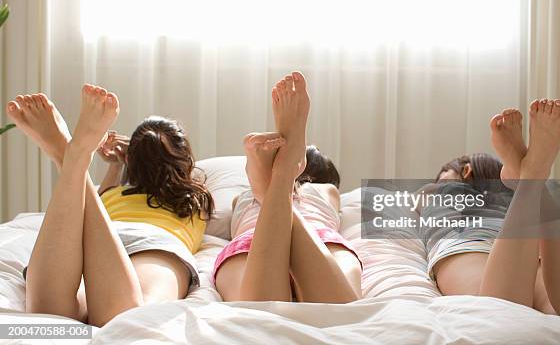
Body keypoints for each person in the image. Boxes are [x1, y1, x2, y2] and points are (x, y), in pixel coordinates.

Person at [6, 85, 213, 326]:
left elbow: (91, 204)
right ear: (184, 161)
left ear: (130, 162)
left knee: (51, 308)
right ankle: (71, 156)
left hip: (103, 235)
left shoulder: (116, 193)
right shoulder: (194, 199)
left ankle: (68, 156)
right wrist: (119, 164)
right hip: (155, 244)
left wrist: (115, 165)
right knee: (123, 316)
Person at [423, 101, 560, 316]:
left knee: (498, 310)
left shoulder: (442, 191)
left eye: (443, 174)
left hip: (470, 237)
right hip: (534, 245)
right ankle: (533, 177)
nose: (438, 180)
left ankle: (532, 176)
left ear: (466, 170)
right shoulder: (512, 199)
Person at [214, 72, 362, 303]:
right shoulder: (327, 191)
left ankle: (276, 183)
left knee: (257, 314)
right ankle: (282, 177)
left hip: (253, 241)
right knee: (344, 311)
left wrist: (267, 193)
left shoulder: (241, 198)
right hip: (320, 240)